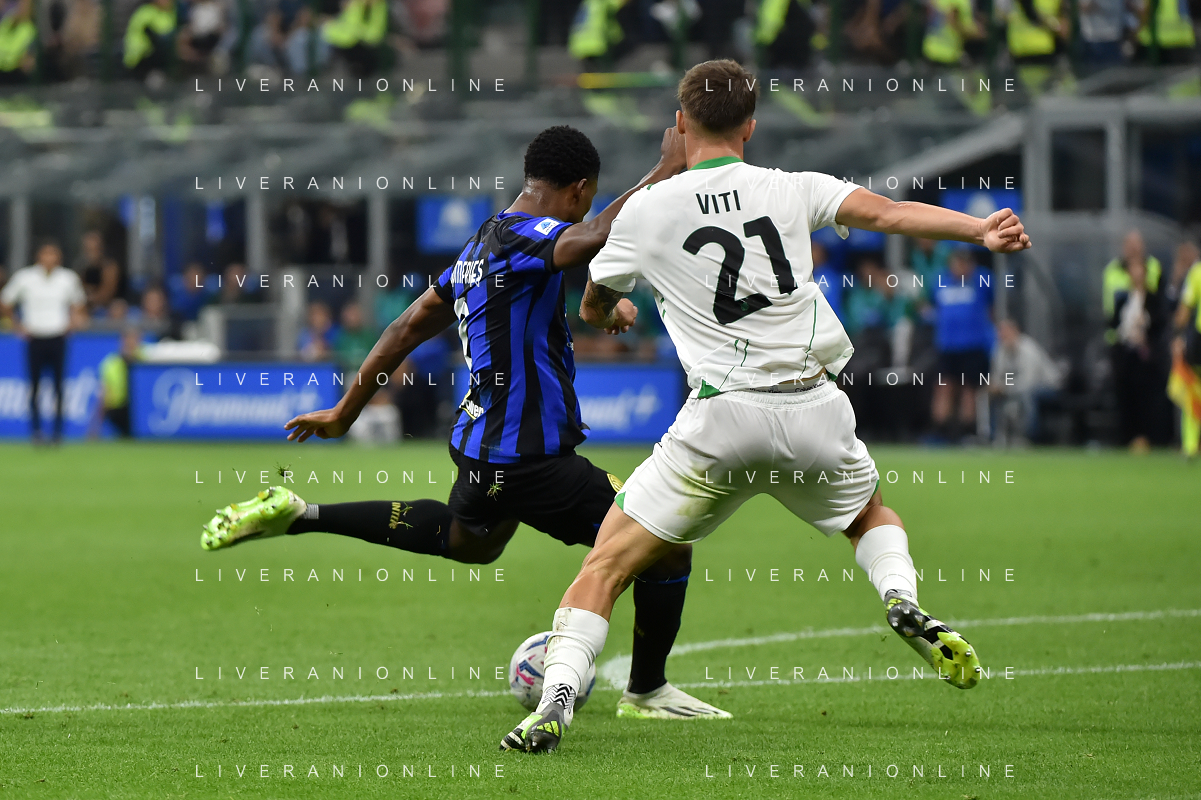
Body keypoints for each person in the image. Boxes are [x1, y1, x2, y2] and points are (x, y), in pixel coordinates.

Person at [499, 59, 1032, 754]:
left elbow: (595, 302)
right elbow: (889, 213)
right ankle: (901, 599)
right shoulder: (792, 187)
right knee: (869, 516)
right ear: (750, 126)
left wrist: (614, 311)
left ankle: (556, 700)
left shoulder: (645, 210)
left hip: (719, 420)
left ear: (680, 123)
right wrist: (981, 230)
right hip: (814, 407)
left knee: (605, 567)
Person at [199, 125, 731, 722]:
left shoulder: (481, 247)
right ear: (579, 190)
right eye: (586, 201)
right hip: (531, 460)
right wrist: (665, 169)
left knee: (470, 539)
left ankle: (302, 515)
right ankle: (647, 691)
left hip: (481, 453)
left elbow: (406, 326)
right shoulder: (526, 234)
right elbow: (592, 237)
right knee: (666, 545)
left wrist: (344, 412)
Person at [0, 241, 87, 443]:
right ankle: (37, 431)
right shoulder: (25, 277)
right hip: (35, 337)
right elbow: (5, 301)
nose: (49, 258)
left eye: (53, 254)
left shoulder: (67, 278)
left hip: (57, 336)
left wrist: (72, 322)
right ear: (38, 257)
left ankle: (57, 432)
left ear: (59, 257)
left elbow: (79, 303)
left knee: (58, 386)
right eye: (45, 254)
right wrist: (17, 325)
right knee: (35, 386)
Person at [930, 246, 995, 443]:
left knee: (969, 389)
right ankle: (939, 431)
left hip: (973, 345)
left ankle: (967, 431)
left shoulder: (981, 280)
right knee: (944, 388)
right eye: (957, 262)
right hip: (947, 345)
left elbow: (992, 308)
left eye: (965, 262)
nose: (961, 266)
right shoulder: (941, 281)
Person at [1111, 258, 1167, 451]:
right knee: (1127, 397)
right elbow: (1113, 323)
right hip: (1127, 354)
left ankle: (1146, 437)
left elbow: (1160, 325)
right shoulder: (1122, 298)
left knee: (1146, 397)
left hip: (1146, 357)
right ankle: (1128, 437)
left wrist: (1145, 326)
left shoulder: (1153, 299)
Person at [990, 318, 1062, 445]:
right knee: (993, 396)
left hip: (1049, 387)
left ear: (1015, 331)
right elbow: (997, 376)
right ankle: (996, 437)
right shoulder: (1000, 350)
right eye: (1000, 333)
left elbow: (1028, 382)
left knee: (1027, 395)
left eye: (1006, 332)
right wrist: (995, 387)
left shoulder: (1028, 348)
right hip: (1018, 388)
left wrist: (1005, 388)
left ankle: (1030, 437)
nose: (1002, 336)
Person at [1170, 248, 1201, 458]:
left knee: (1192, 390)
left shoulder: (1197, 272)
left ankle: (1190, 445)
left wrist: (1177, 336)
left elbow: (1184, 310)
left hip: (1199, 339)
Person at [90, 326, 143, 439]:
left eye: (134, 339)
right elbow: (103, 397)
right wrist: (95, 427)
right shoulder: (110, 364)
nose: (131, 343)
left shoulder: (147, 360)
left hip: (141, 409)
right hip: (119, 409)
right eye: (128, 339)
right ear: (122, 341)